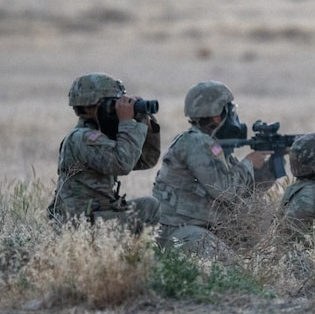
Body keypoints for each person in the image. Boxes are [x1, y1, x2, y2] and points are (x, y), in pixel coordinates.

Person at [152, 80, 276, 258]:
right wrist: (248, 163)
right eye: (230, 111)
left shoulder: (214, 148)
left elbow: (244, 191)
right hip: (179, 235)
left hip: (205, 228)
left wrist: (270, 166)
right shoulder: (195, 143)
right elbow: (225, 190)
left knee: (264, 215)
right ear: (218, 116)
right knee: (230, 270)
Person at [48, 72, 161, 232]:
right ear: (88, 107)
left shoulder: (102, 135)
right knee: (151, 209)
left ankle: (138, 253)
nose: (117, 109)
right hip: (81, 223)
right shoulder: (83, 138)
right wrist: (127, 123)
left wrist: (145, 121)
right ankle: (145, 255)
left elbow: (147, 160)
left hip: (97, 216)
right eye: (112, 104)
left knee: (150, 205)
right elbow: (123, 164)